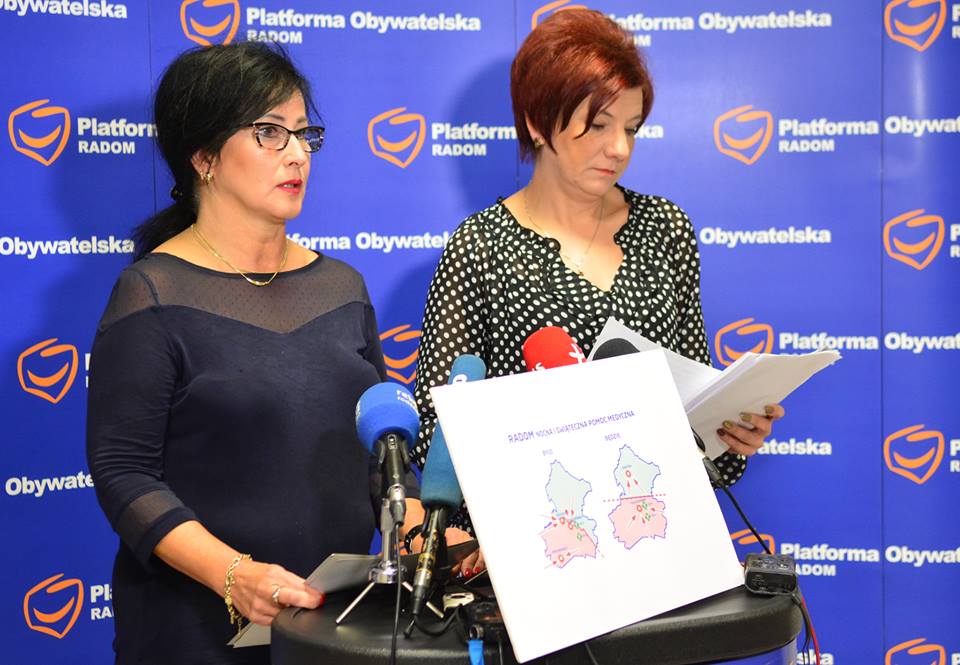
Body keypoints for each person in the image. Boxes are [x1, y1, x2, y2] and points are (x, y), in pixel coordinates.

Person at [87, 43, 427, 665]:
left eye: (303, 134)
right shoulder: (152, 293)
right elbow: (124, 474)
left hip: (336, 626)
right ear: (204, 157)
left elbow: (381, 455)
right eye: (270, 132)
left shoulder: (342, 286)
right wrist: (233, 575)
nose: (297, 154)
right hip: (197, 633)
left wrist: (418, 528)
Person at [412, 9, 785, 565]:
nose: (619, 149)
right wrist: (506, 529)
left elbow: (695, 409)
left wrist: (732, 432)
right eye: (598, 125)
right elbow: (435, 427)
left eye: (630, 128)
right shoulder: (480, 246)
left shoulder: (666, 229)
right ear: (538, 123)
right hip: (534, 551)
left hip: (654, 542)